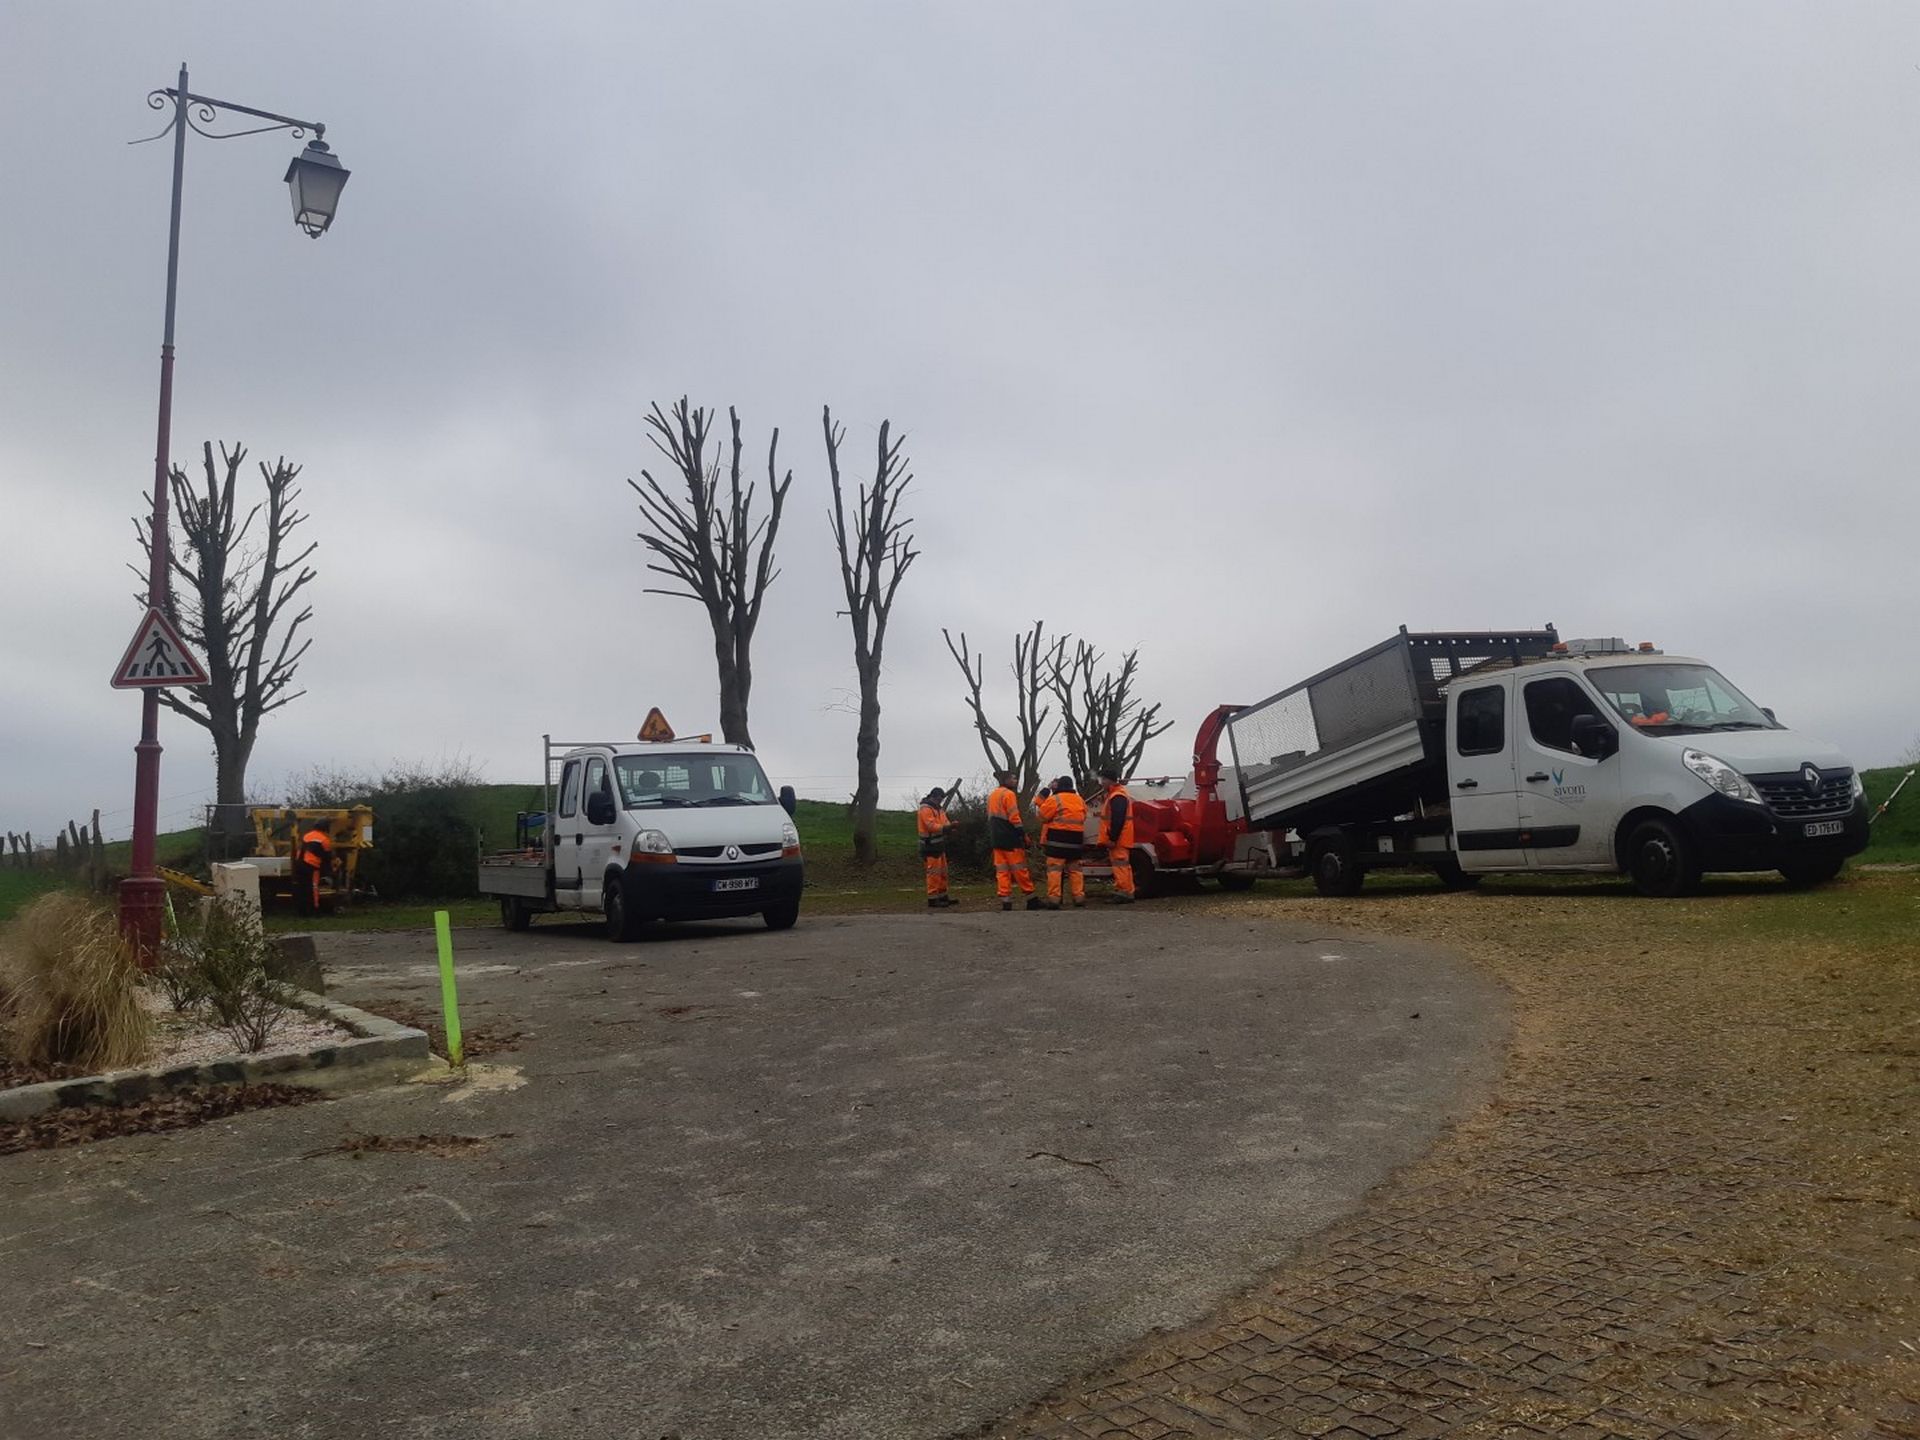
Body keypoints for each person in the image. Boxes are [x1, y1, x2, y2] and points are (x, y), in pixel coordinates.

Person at [986, 769, 1041, 911]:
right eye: (1014, 778)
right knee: (1019, 868)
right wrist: (1023, 834)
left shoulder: (993, 795)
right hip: (1010, 836)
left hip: (996, 837)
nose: (1016, 781)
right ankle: (1031, 899)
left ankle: (1006, 901)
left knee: (1002, 871)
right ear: (1006, 780)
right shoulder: (1008, 794)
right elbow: (1014, 817)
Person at [1033, 776, 1088, 910]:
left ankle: (1054, 899)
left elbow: (1042, 816)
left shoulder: (1055, 799)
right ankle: (1079, 897)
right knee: (1075, 870)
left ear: (1059, 786)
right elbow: (1084, 816)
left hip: (1057, 841)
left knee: (1054, 871)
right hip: (1076, 840)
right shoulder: (1080, 800)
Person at [1097, 766, 1135, 904]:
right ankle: (1128, 891)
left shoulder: (1117, 795)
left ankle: (1123, 892)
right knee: (1124, 865)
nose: (1101, 782)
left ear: (1109, 780)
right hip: (1122, 837)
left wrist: (1112, 838)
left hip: (1119, 838)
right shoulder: (1118, 794)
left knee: (1120, 865)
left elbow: (1118, 818)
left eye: (1103, 779)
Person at [917, 787, 956, 909]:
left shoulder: (938, 809)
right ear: (934, 797)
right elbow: (930, 826)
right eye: (940, 798)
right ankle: (932, 899)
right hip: (930, 846)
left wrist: (950, 827)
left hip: (938, 845)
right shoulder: (925, 809)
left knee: (943, 872)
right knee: (933, 873)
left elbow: (944, 822)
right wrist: (947, 828)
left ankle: (943, 896)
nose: (941, 801)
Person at [296, 823, 334, 915]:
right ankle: (314, 909)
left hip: (300, 865)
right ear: (325, 829)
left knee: (302, 888)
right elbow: (327, 857)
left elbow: (301, 849)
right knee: (314, 888)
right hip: (312, 866)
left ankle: (302, 911)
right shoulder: (324, 840)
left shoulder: (307, 836)